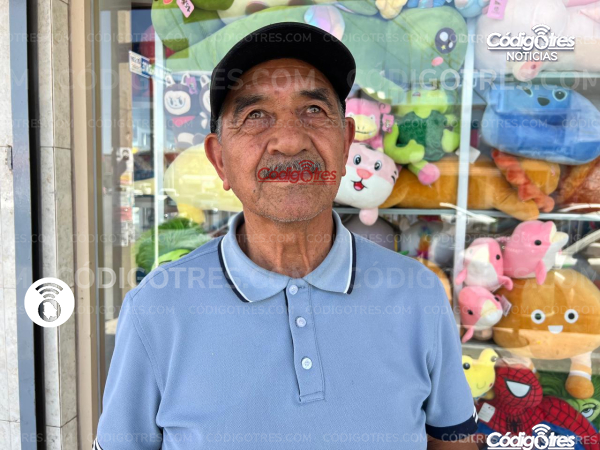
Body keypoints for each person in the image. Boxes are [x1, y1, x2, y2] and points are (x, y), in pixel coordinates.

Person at [93, 23, 480, 450]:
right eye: (255, 115)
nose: (291, 141)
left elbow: (454, 441)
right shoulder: (156, 309)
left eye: (313, 110)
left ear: (346, 143)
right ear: (220, 160)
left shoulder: (419, 295)